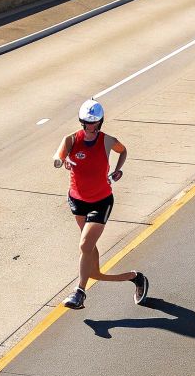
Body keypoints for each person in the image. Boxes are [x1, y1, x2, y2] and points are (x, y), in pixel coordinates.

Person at [53, 99, 148, 310]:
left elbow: (123, 150)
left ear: (100, 123)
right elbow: (57, 157)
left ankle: (79, 293)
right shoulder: (70, 140)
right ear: (81, 122)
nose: (90, 127)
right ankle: (136, 277)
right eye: (87, 123)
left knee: (84, 246)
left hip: (101, 201)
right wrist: (62, 161)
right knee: (94, 271)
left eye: (94, 123)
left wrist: (117, 169)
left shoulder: (107, 141)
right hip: (77, 201)